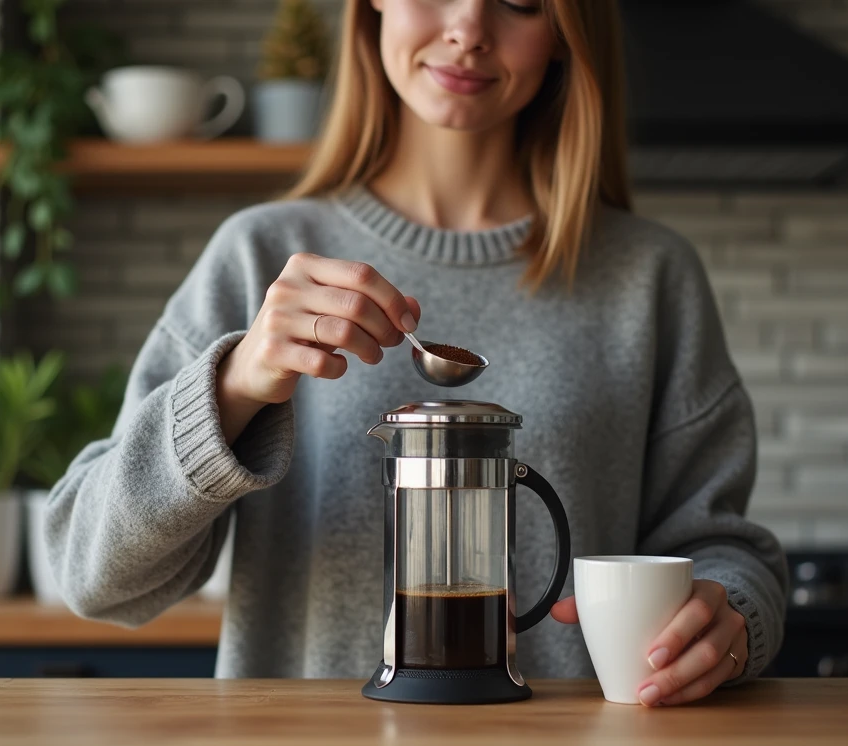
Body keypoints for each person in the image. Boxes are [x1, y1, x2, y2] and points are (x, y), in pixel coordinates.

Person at [46, 0, 788, 707]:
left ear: (566, 31)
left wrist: (732, 622)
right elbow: (92, 576)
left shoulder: (650, 278)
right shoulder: (258, 257)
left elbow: (722, 551)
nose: (469, 29)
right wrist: (235, 385)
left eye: (521, 2)